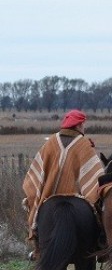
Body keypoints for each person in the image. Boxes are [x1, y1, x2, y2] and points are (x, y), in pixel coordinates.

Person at [22, 109, 104, 261]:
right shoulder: (84, 144)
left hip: (48, 194)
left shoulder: (51, 141)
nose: (83, 127)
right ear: (79, 126)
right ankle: (100, 243)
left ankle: (38, 248)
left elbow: (37, 170)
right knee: (99, 211)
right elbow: (95, 176)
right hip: (78, 195)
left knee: (34, 208)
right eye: (83, 125)